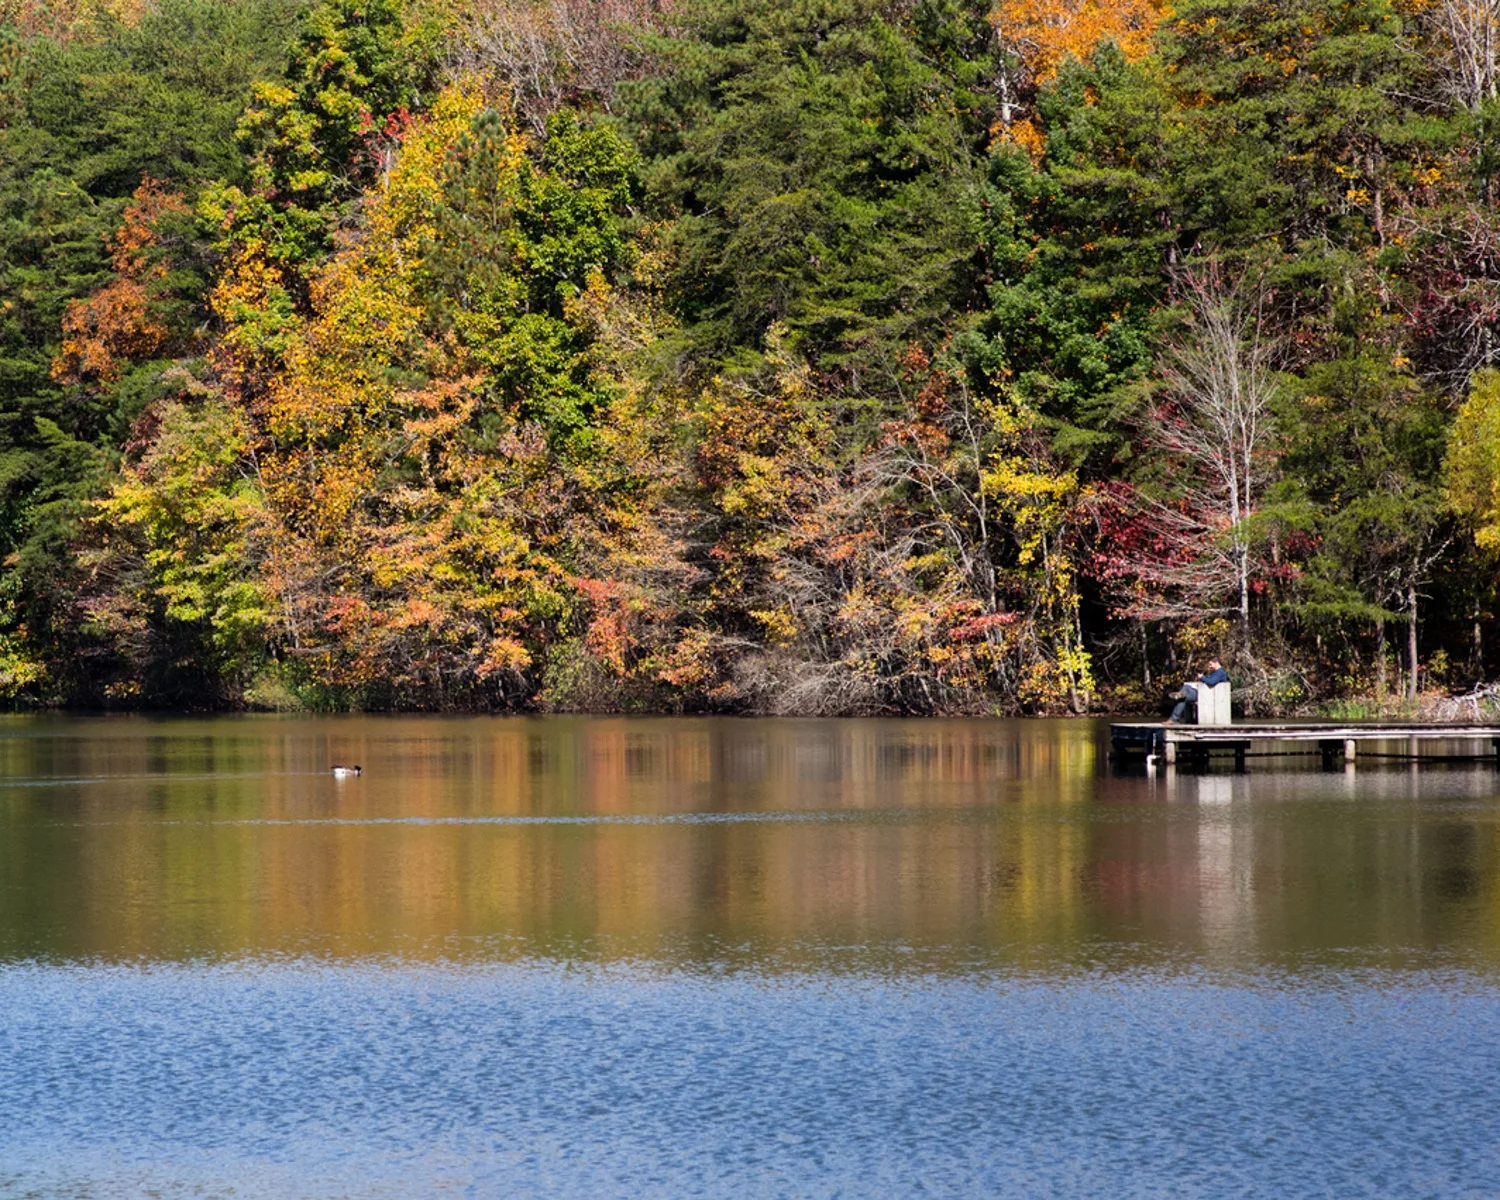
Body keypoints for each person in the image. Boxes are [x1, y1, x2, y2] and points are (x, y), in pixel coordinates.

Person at [1166, 659, 1228, 724]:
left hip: (1208, 696)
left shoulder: (1220, 672)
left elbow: (1211, 682)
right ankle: (1180, 695)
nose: (1209, 666)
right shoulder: (1215, 672)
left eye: (1210, 664)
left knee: (1183, 698)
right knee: (1186, 688)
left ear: (1216, 663)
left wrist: (1202, 677)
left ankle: (1173, 719)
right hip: (1205, 693)